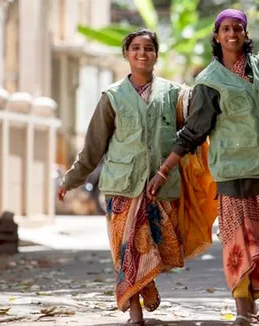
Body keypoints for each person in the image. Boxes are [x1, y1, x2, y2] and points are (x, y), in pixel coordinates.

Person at [146, 9, 259, 326]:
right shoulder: (209, 81)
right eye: (225, 29)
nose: (232, 33)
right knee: (238, 242)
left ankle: (252, 306)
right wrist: (165, 169)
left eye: (237, 28)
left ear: (246, 34)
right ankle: (241, 311)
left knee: (258, 242)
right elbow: (194, 131)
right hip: (232, 173)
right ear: (217, 36)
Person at [57, 29, 184, 326]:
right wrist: (70, 180)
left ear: (156, 53)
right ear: (126, 54)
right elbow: (93, 147)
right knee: (127, 251)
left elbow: (190, 136)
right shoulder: (112, 97)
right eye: (136, 48)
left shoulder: (173, 94)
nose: (142, 53)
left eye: (149, 48)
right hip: (122, 187)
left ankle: (145, 290)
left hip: (160, 188)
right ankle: (135, 313)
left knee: (153, 249)